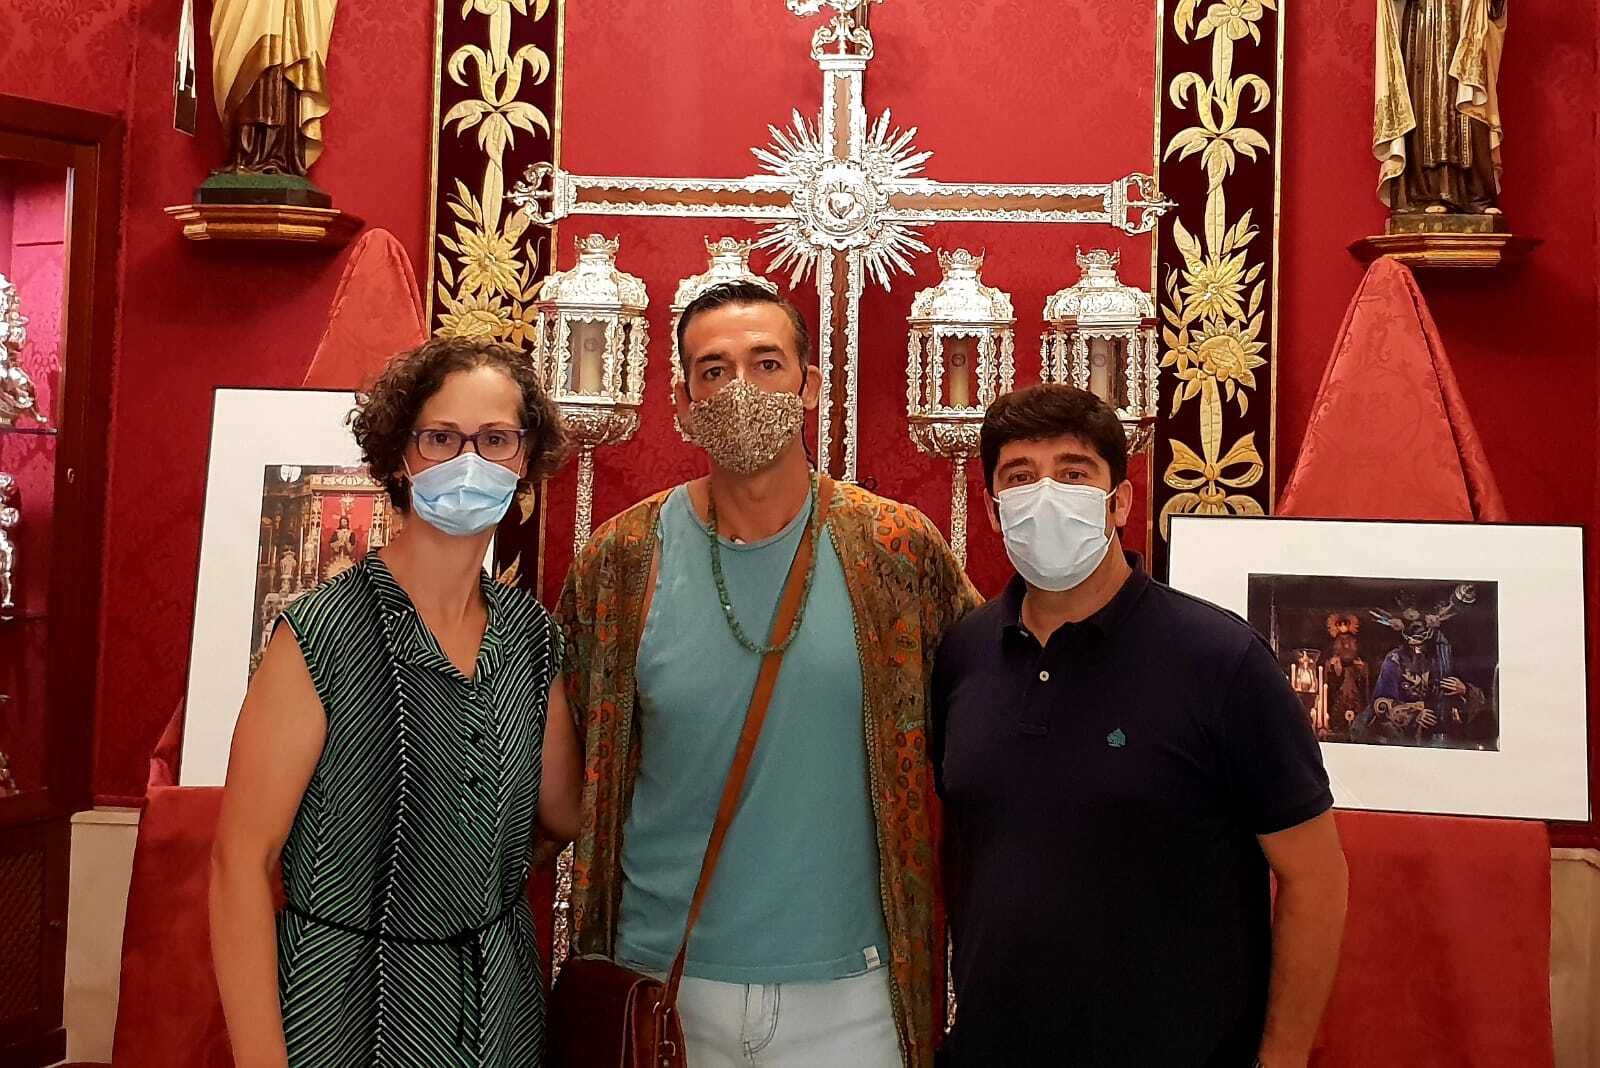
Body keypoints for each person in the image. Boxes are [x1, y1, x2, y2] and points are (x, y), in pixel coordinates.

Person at [557, 281, 977, 1068]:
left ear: (810, 386)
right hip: (664, 985)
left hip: (854, 995)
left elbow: (988, 720)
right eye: (712, 371)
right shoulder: (622, 560)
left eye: (767, 363)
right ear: (681, 402)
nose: (739, 389)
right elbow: (568, 764)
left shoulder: (894, 548)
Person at [932, 383, 1349, 1067]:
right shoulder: (963, 654)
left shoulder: (1222, 662)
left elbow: (1316, 879)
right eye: (1020, 477)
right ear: (992, 509)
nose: (1046, 495)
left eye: (1073, 474)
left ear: (1118, 501)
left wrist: (1281, 1059)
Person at [211, 337, 582, 1067]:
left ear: (526, 461)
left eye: (496, 440)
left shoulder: (534, 639)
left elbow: (563, 814)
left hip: (499, 1016)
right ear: (399, 455)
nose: (468, 462)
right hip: (347, 1010)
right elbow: (239, 865)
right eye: (442, 437)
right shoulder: (320, 635)